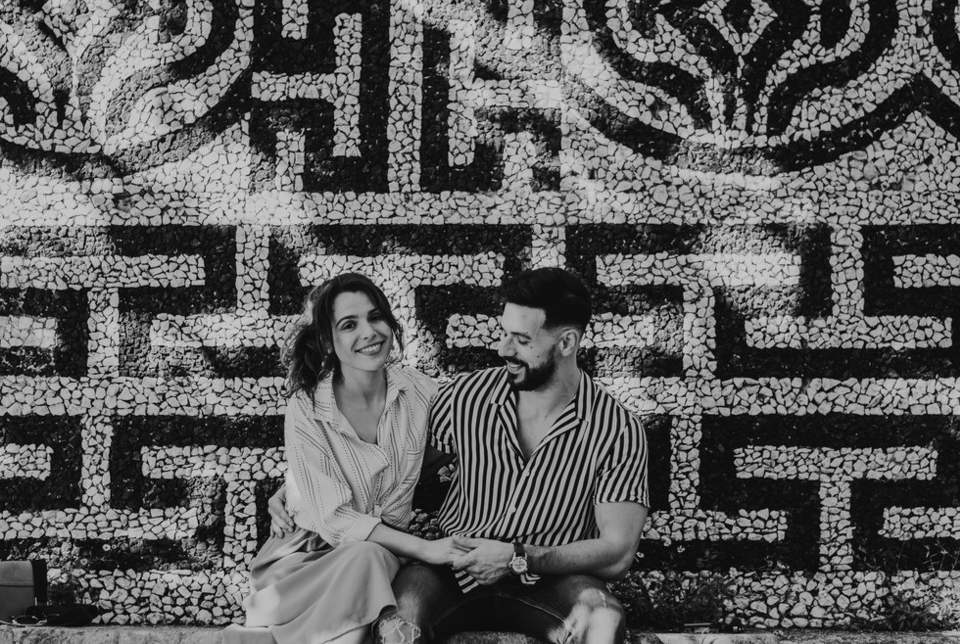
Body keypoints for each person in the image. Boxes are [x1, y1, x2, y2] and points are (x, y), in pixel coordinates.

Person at [270, 267, 650, 644]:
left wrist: (520, 556)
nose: (503, 349)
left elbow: (617, 554)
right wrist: (300, 488)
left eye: (521, 339)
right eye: (504, 333)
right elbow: (393, 457)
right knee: (399, 625)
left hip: (551, 580)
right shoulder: (467, 397)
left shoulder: (617, 430)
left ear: (566, 343)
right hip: (450, 571)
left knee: (603, 621)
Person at [230, 273, 467, 644]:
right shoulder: (307, 406)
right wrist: (427, 549)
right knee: (368, 559)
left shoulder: (419, 392)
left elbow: (477, 424)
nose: (369, 332)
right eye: (349, 324)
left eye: (376, 317)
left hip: (377, 557)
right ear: (328, 340)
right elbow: (336, 519)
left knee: (371, 559)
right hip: (299, 565)